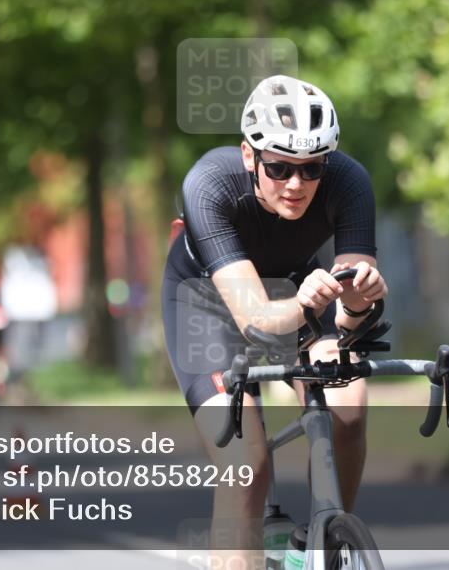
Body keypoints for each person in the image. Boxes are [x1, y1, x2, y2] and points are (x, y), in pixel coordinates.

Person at [162, 75, 387, 567]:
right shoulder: (210, 185)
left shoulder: (350, 183)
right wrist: (308, 306)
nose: (296, 184)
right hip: (207, 304)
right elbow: (257, 320)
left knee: (349, 402)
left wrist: (359, 303)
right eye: (280, 166)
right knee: (246, 465)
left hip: (300, 286)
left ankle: (328, 539)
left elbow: (352, 323)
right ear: (250, 156)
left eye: (311, 169)